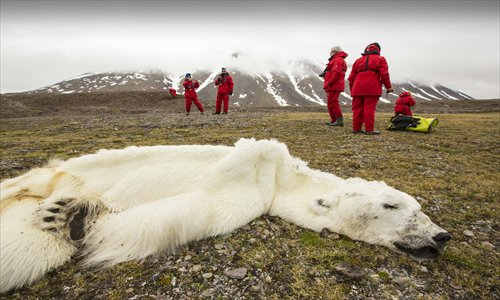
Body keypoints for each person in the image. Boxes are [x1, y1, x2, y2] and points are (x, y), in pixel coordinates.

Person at [348, 42, 393, 135]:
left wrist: (352, 90)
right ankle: (369, 130)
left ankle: (356, 129)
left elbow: (351, 78)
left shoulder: (358, 60)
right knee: (369, 108)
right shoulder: (381, 59)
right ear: (378, 50)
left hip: (357, 88)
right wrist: (388, 87)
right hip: (372, 88)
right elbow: (384, 74)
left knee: (357, 109)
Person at [320, 46, 348, 127]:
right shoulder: (335, 59)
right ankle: (334, 120)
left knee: (333, 102)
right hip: (332, 85)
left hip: (334, 85)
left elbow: (336, 72)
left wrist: (330, 82)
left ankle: (339, 120)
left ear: (335, 52)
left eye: (331, 51)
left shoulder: (338, 59)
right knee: (330, 103)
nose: (330, 53)